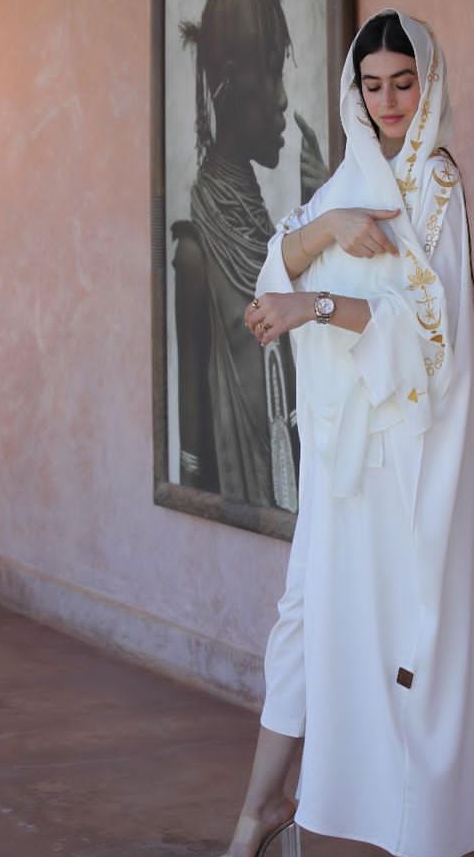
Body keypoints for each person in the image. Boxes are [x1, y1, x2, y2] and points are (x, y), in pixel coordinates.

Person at [220, 8, 474, 857]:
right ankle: (260, 812)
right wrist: (327, 233)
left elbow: (432, 337)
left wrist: (316, 303)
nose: (388, 103)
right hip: (341, 454)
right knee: (305, 617)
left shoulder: (438, 188)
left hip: (407, 457)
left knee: (402, 641)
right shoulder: (349, 179)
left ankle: (410, 827)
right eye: (372, 86)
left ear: (429, 83)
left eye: (403, 84)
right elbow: (269, 277)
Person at [172, 0, 328, 509]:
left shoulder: (262, 232)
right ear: (230, 84)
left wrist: (318, 212)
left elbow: (307, 331)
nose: (283, 100)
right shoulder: (195, 252)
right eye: (270, 74)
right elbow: (193, 454)